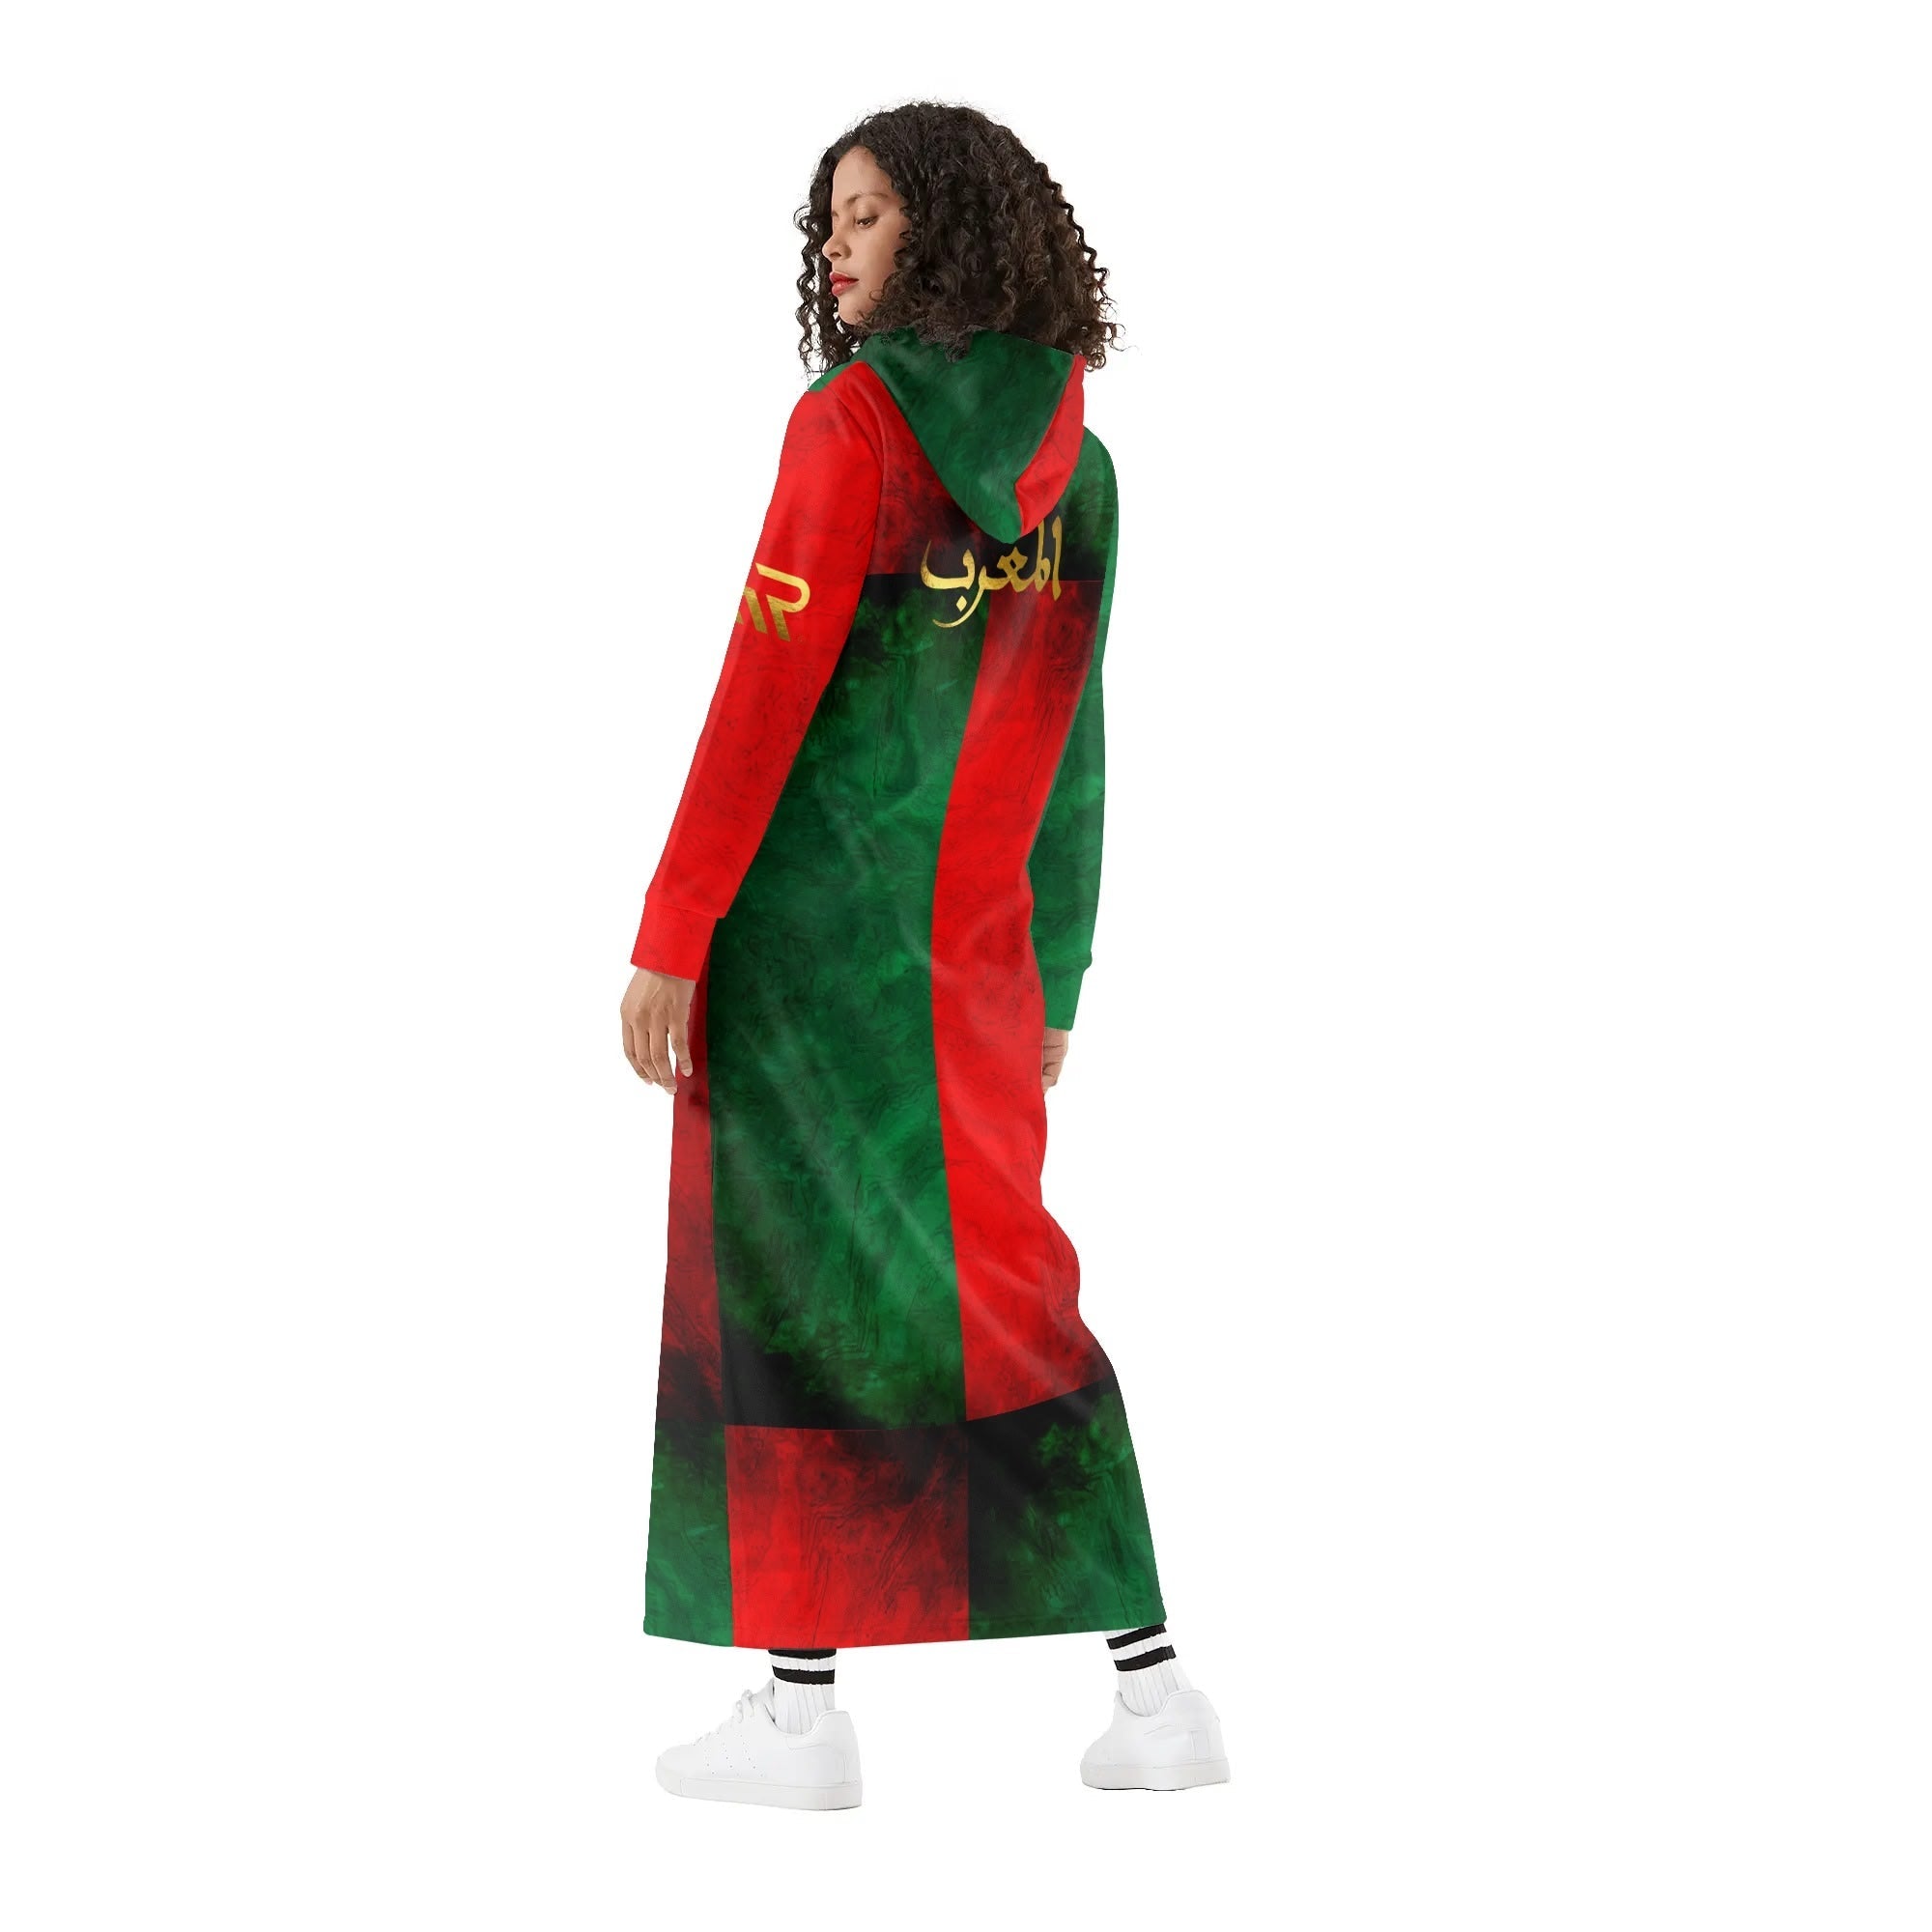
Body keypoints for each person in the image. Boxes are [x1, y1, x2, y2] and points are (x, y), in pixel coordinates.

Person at [619, 100, 1230, 1807]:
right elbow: (1070, 736)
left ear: (945, 231)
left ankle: (802, 1723)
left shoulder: (851, 426)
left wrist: (675, 930)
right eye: (831, 216)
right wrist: (1060, 964)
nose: (837, 245)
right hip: (972, 960)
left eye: (871, 213)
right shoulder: (1081, 473)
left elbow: (763, 694)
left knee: (792, 1310)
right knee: (1004, 1302)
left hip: (810, 963)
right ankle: (1154, 1695)